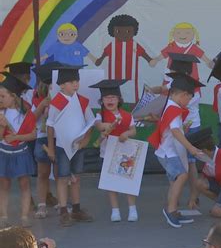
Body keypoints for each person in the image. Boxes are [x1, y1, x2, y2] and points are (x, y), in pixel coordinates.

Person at [148, 72, 205, 228]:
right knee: (182, 176)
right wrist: (191, 148)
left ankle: (173, 210)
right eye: (189, 98)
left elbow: (173, 129)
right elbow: (175, 132)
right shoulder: (174, 109)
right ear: (182, 95)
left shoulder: (171, 106)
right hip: (169, 152)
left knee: (176, 180)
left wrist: (183, 127)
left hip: (167, 151)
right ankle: (171, 210)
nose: (189, 101)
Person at [45, 65, 95, 227]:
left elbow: (91, 121)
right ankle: (63, 211)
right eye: (71, 82)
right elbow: (50, 125)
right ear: (61, 85)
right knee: (63, 178)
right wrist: (51, 148)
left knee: (76, 178)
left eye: (77, 81)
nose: (75, 84)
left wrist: (86, 140)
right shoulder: (57, 101)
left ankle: (76, 209)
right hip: (61, 147)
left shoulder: (82, 101)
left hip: (78, 147)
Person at [90, 79, 138, 221]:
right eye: (106, 98)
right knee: (111, 183)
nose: (109, 100)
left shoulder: (127, 115)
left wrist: (126, 134)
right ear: (102, 100)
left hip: (126, 152)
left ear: (119, 99)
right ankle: (115, 210)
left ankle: (132, 209)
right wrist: (108, 126)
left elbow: (133, 130)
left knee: (128, 181)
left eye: (113, 97)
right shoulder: (101, 115)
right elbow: (99, 126)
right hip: (108, 153)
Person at [0, 72, 36, 228]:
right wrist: (2, 126)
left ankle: (24, 216)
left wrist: (17, 138)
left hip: (21, 152)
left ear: (13, 96)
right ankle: (4, 215)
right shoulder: (1, 113)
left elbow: (33, 135)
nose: (0, 99)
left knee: (24, 184)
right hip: (4, 152)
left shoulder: (26, 113)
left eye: (2, 96)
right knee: (4, 185)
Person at [95, 14, 157, 103]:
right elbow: (104, 54)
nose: (123, 34)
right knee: (115, 95)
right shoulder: (112, 45)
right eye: (118, 31)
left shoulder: (135, 45)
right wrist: (100, 60)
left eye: (128, 31)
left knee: (131, 95)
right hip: (114, 77)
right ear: (112, 31)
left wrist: (149, 60)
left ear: (134, 31)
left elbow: (144, 54)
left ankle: (131, 109)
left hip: (130, 77)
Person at [31, 62, 61, 219]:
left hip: (60, 138)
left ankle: (61, 203)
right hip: (42, 139)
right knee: (43, 173)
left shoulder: (64, 98)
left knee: (59, 173)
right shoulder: (37, 99)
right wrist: (43, 105)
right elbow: (31, 120)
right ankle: (42, 205)